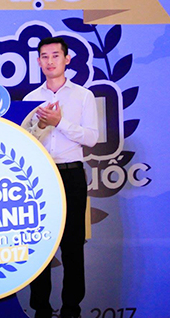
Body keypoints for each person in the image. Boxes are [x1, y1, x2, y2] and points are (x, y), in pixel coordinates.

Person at [22, 36, 99, 318]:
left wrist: (60, 123)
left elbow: (91, 137)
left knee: (72, 245)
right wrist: (41, 125)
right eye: (44, 56)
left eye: (55, 55)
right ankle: (40, 309)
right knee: (39, 244)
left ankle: (71, 309)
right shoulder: (31, 99)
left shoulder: (83, 95)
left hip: (71, 174)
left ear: (67, 59)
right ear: (38, 61)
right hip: (39, 176)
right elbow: (25, 141)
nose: (49, 61)